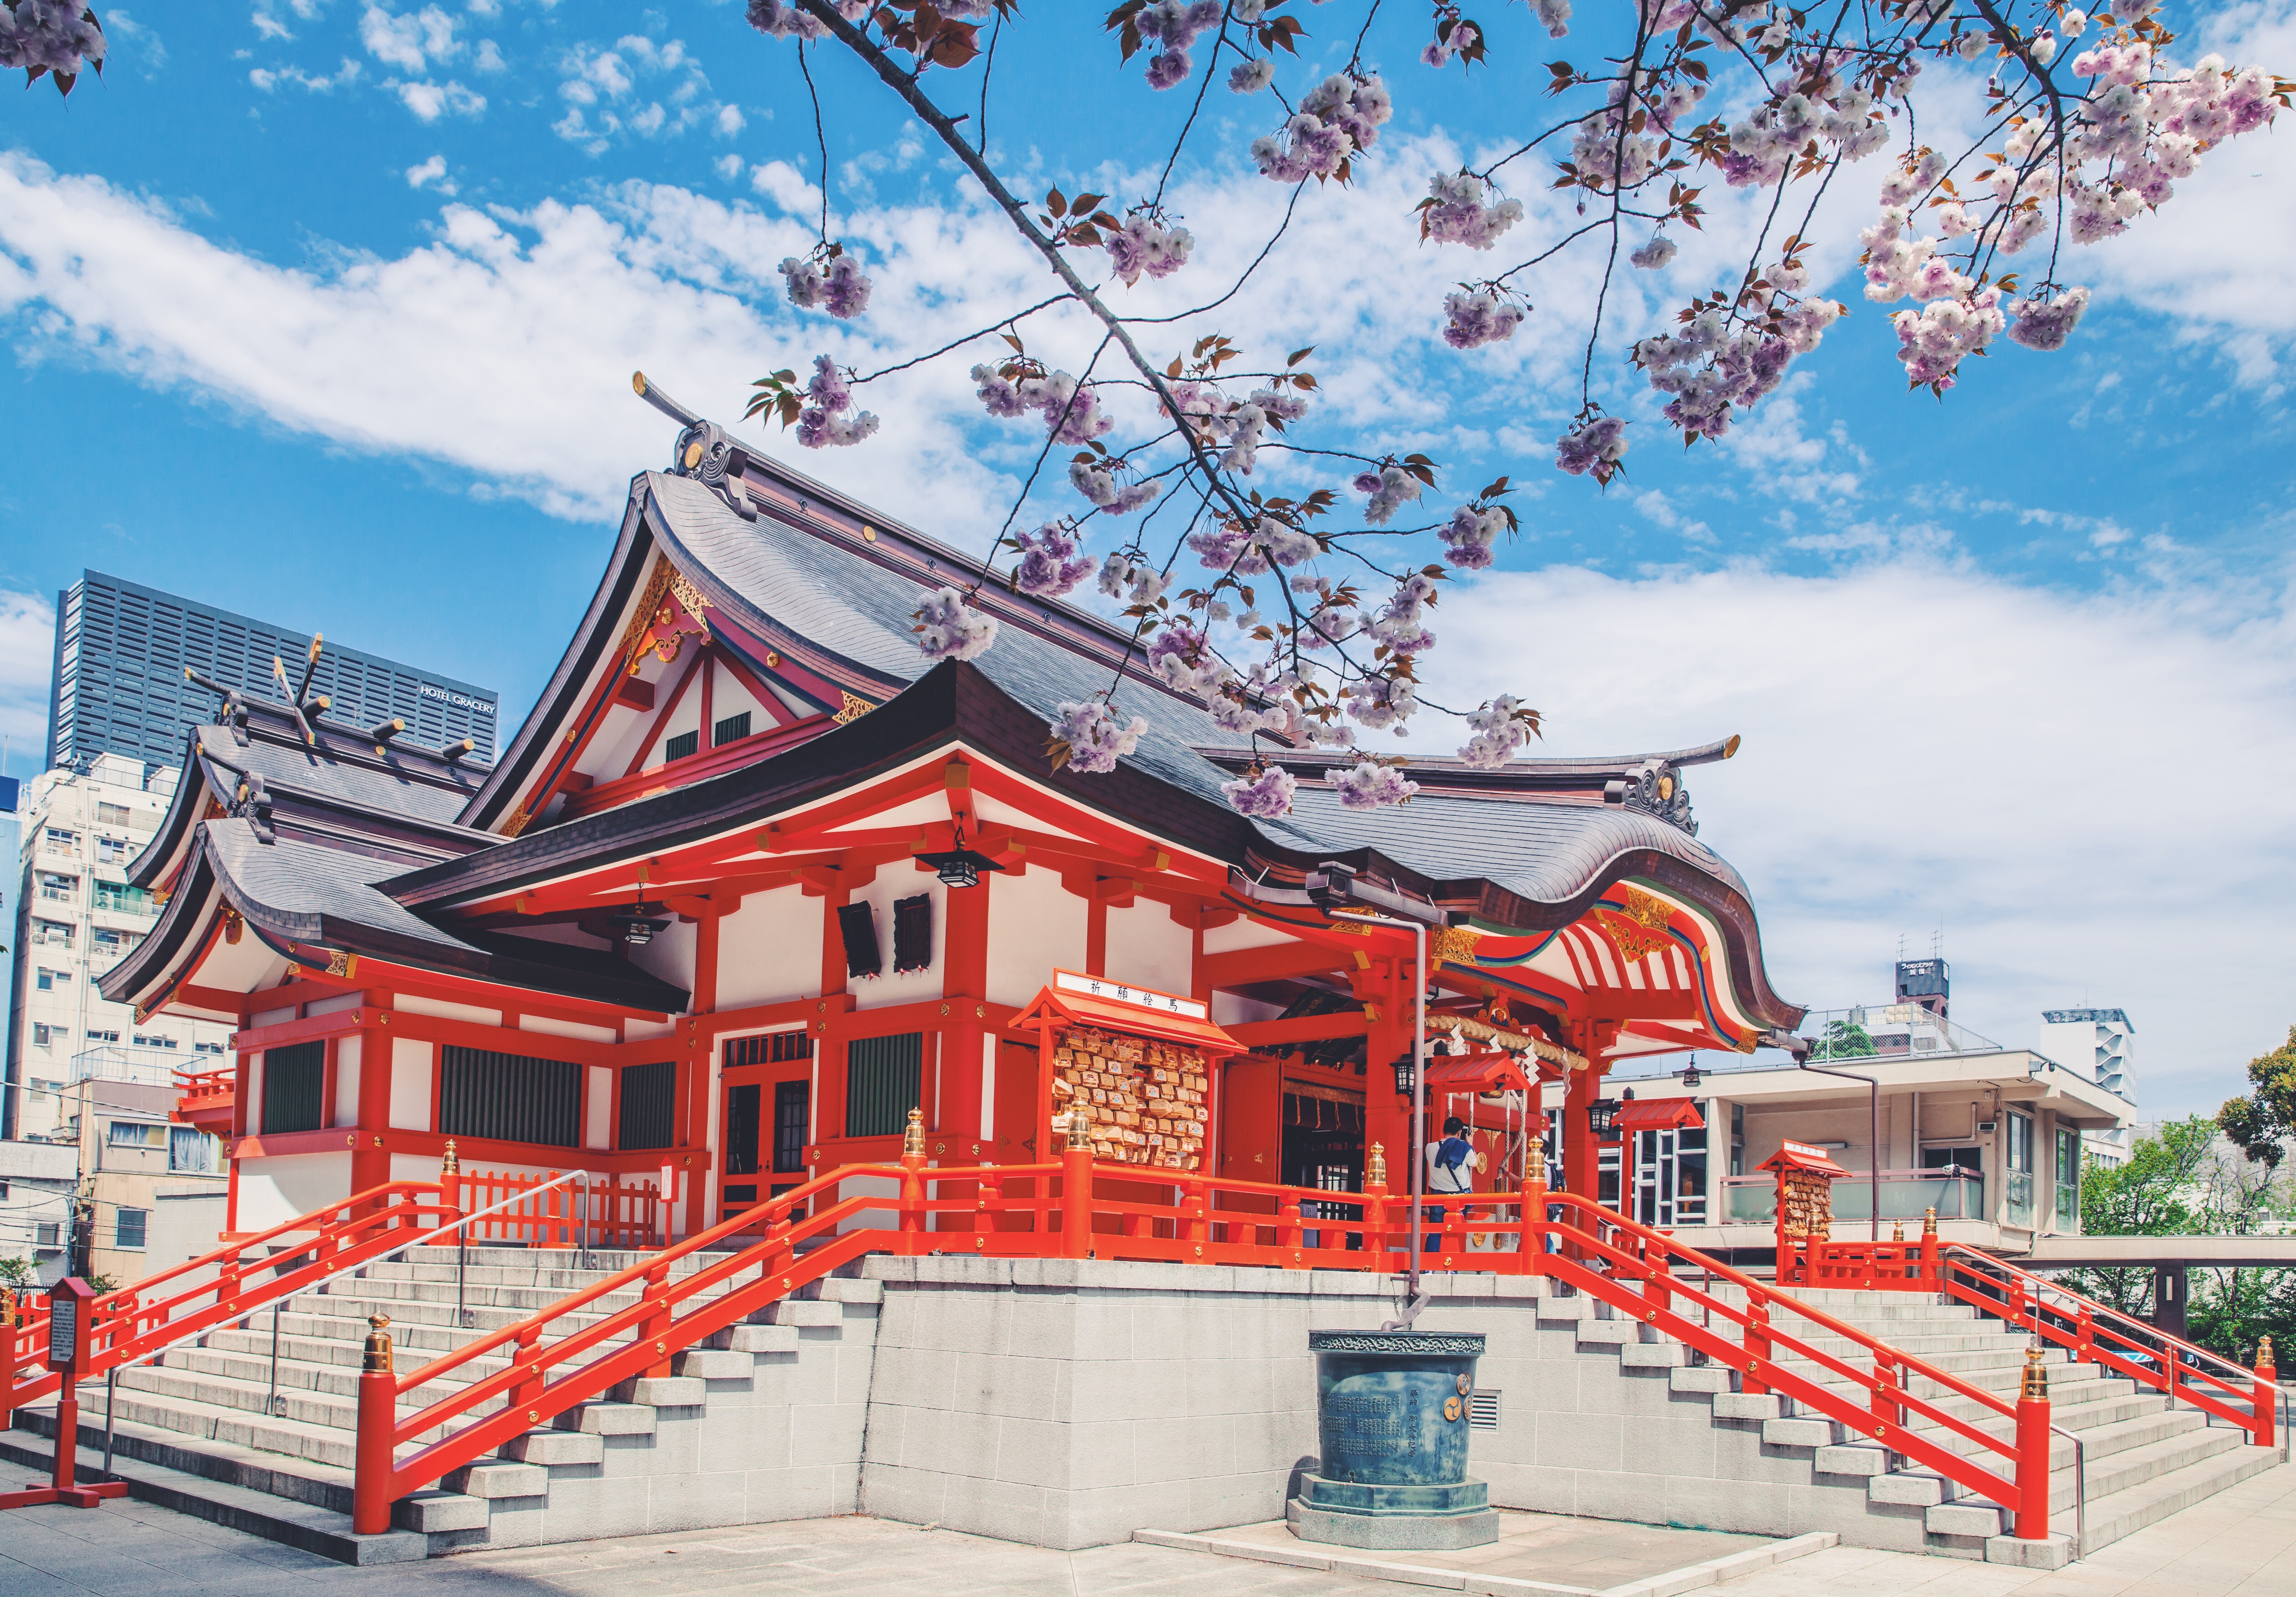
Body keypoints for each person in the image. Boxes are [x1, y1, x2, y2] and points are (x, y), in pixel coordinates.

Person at [1422, 1116, 1482, 1256]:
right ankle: (1453, 1263)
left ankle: (1430, 1263)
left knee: (1435, 1232)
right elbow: (1475, 1164)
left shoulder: (1430, 1147)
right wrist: (1470, 1144)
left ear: (1444, 1130)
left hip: (1437, 1196)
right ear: (1460, 1132)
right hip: (1459, 1197)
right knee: (1456, 1231)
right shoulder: (1465, 1148)